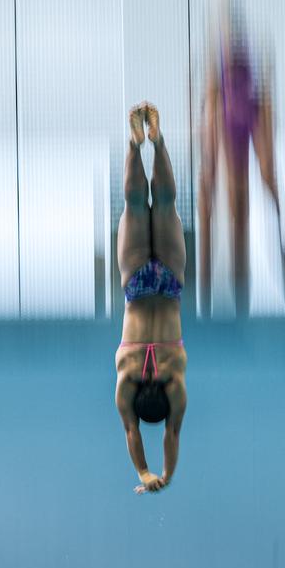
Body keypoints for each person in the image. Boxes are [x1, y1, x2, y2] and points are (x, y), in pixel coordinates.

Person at [198, 0, 285, 318]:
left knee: (264, 203)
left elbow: (262, 104)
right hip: (227, 123)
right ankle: (212, 305)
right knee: (228, 213)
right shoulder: (218, 71)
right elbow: (210, 109)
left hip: (243, 117)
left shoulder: (249, 59)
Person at [115, 101, 188, 494]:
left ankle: (155, 143)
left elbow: (172, 433)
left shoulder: (175, 377)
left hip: (169, 285)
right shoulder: (126, 374)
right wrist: (144, 472)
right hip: (138, 285)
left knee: (164, 204)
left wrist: (162, 474)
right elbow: (132, 430)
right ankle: (136, 144)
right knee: (133, 205)